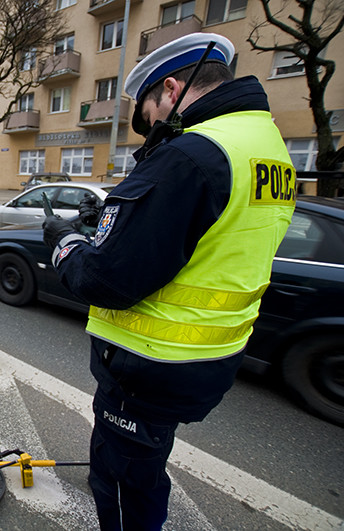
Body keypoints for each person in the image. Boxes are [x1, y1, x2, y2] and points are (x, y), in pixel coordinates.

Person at [42, 33, 296, 530]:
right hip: (211, 354)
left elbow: (106, 280)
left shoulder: (189, 155)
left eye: (150, 115)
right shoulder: (266, 147)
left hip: (151, 364)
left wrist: (66, 244)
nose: (152, 129)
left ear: (172, 88)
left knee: (121, 479)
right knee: (147, 463)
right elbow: (208, 241)